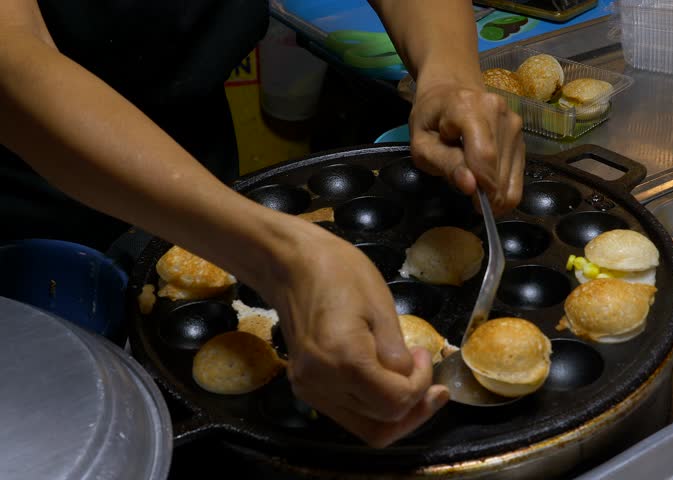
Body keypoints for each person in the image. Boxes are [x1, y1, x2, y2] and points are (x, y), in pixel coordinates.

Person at [0, 0, 525, 447]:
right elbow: (12, 57)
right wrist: (275, 255)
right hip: (28, 201)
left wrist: (447, 77)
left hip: (195, 161)